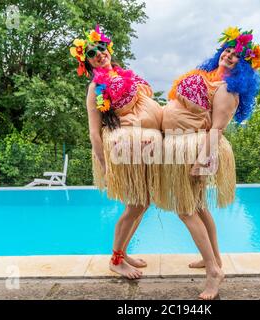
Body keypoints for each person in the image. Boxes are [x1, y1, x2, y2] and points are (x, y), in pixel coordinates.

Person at [157, 26, 260, 299]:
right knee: (200, 207)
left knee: (185, 210)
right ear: (220, 52)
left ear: (244, 66)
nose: (229, 56)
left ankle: (214, 272)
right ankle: (213, 259)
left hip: (194, 150)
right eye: (227, 51)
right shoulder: (208, 77)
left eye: (236, 56)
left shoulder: (228, 89)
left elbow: (217, 129)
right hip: (182, 146)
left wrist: (202, 162)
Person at [70, 25, 163, 279]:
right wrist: (104, 164)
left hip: (139, 145)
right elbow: (94, 131)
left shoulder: (123, 76)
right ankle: (115, 260)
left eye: (101, 48)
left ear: (108, 49)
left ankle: (123, 252)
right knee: (135, 204)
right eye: (91, 53)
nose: (99, 54)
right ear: (87, 62)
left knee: (143, 203)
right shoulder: (94, 89)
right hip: (121, 149)